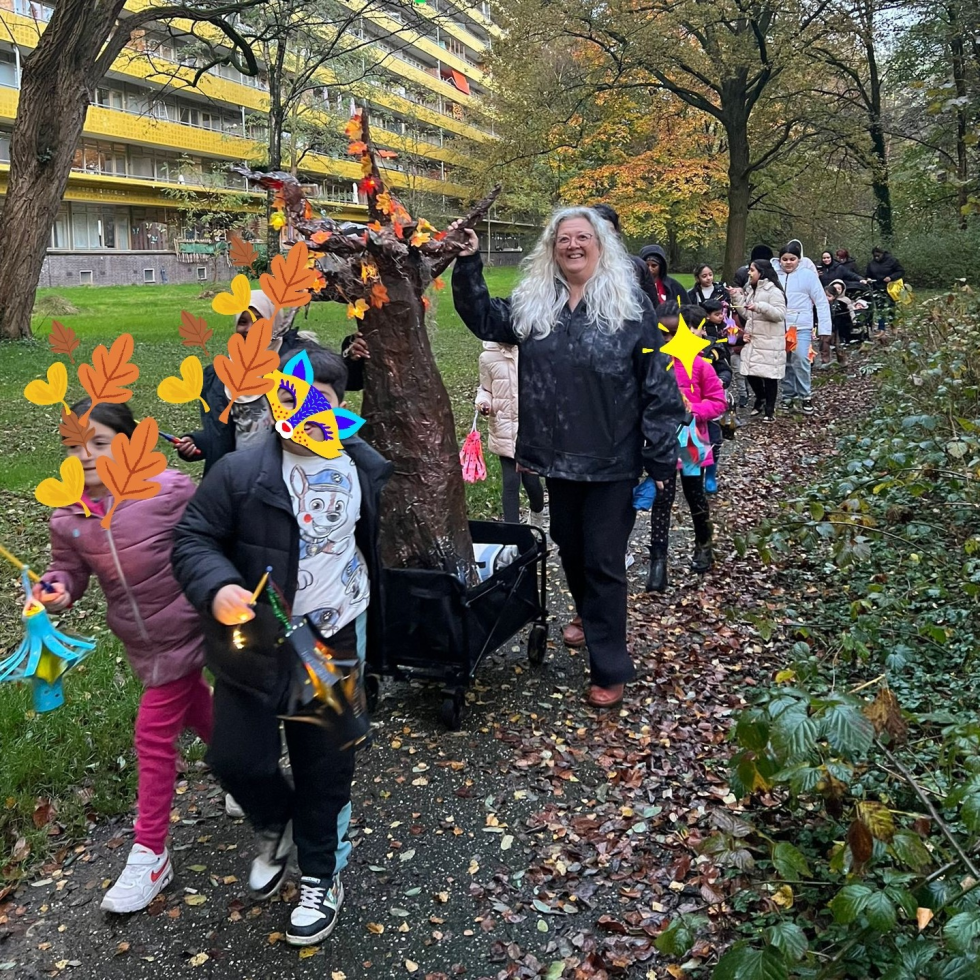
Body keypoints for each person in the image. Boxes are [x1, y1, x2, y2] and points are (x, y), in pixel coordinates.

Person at [172, 344, 393, 946]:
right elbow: (194, 537)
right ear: (276, 400)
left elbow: (367, 537)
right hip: (255, 642)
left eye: (326, 403)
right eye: (295, 400)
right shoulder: (240, 474)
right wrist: (217, 586)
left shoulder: (362, 465)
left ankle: (321, 875)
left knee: (325, 766)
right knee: (234, 759)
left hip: (331, 637)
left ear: (343, 408)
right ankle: (274, 823)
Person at [450, 207, 686, 709]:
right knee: (571, 550)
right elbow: (484, 318)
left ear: (601, 245)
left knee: (603, 560)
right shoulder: (539, 303)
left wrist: (661, 458)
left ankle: (609, 663)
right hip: (558, 459)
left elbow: (657, 385)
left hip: (612, 459)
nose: (573, 246)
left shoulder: (629, 306)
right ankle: (590, 615)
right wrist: (468, 262)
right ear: (552, 248)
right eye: (564, 239)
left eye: (583, 237)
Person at [35, 399, 213, 914]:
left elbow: (212, 536)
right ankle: (246, 771)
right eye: (73, 446)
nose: (85, 455)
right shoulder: (68, 517)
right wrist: (58, 590)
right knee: (199, 710)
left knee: (152, 734)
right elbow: (67, 571)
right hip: (145, 641)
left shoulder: (169, 491)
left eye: (99, 442)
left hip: (190, 626)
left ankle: (150, 852)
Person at [174, 293, 365, 474]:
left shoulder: (299, 359)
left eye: (259, 320)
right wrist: (195, 442)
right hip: (240, 477)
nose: (250, 328)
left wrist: (353, 357)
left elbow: (341, 380)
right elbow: (227, 433)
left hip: (292, 473)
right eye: (243, 321)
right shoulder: (219, 375)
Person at [646, 303, 727, 591]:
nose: (668, 341)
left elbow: (719, 401)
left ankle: (704, 545)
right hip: (662, 444)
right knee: (662, 500)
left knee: (695, 496)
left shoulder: (699, 366)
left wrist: (696, 410)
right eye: (662, 335)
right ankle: (658, 562)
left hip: (691, 441)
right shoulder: (652, 366)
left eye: (673, 334)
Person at [475, 341, 545, 525]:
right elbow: (485, 389)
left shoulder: (531, 350)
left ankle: (537, 512)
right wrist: (484, 403)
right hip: (503, 429)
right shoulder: (487, 357)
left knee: (532, 483)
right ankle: (512, 536)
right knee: (510, 483)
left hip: (528, 431)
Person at [776, 242, 832, 414]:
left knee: (800, 358)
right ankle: (788, 395)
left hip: (801, 325)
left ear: (798, 260)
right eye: (784, 259)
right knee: (785, 361)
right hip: (779, 325)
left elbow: (821, 302)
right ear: (779, 260)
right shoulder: (774, 276)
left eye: (792, 259)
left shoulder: (808, 276)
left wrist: (824, 329)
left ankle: (805, 395)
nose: (788, 263)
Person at [732, 259, 787, 423]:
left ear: (761, 272)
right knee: (749, 371)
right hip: (754, 339)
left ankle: (770, 410)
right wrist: (736, 299)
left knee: (770, 376)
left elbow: (780, 314)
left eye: (752, 270)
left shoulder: (774, 291)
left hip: (770, 341)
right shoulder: (750, 289)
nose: (749, 273)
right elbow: (748, 314)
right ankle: (760, 398)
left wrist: (760, 306)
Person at [590, 203, 659, 307]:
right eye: (599, 230)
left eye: (609, 231)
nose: (604, 237)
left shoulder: (636, 266)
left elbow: (653, 309)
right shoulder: (575, 266)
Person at [698, 299, 733, 493]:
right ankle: (694, 475)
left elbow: (725, 371)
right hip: (689, 404)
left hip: (710, 402)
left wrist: (721, 380)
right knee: (692, 442)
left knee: (713, 438)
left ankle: (710, 473)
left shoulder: (713, 348)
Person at [865, 246, 905, 330]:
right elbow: (868, 274)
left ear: (882, 254)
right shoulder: (871, 264)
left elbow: (900, 271)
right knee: (880, 309)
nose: (876, 257)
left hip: (890, 288)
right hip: (877, 288)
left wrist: (891, 277)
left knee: (891, 307)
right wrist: (868, 279)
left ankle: (893, 325)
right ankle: (881, 328)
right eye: (875, 256)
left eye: (878, 255)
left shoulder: (892, 261)